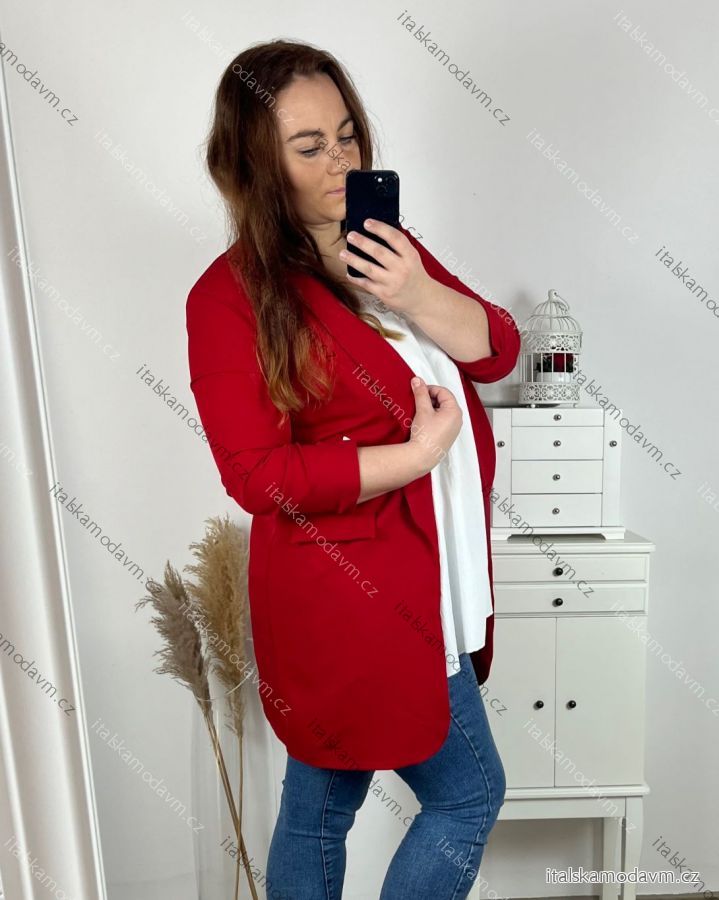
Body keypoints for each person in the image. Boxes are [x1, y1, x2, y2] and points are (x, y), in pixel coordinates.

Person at [186, 38, 521, 900]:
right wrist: (414, 456)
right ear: (256, 165)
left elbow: (495, 351)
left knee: (318, 810)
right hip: (358, 599)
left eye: (347, 135)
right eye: (309, 148)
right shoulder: (228, 297)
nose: (341, 162)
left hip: (432, 573)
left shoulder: (384, 248)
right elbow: (256, 474)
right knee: (468, 794)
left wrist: (413, 292)